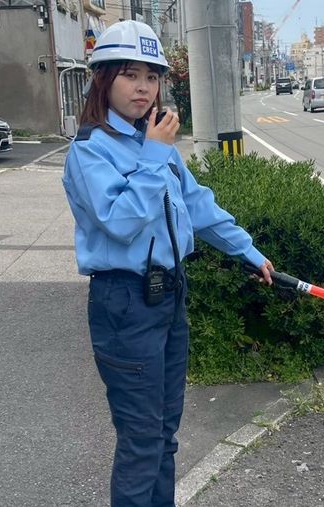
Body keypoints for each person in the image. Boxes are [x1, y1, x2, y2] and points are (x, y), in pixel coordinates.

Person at [61, 20, 274, 507]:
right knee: (141, 442)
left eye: (152, 76)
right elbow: (120, 221)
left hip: (170, 295)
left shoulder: (153, 142)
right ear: (103, 79)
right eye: (130, 75)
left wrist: (248, 251)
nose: (143, 87)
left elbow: (198, 205)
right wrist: (156, 155)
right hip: (124, 304)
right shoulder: (91, 150)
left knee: (164, 433)